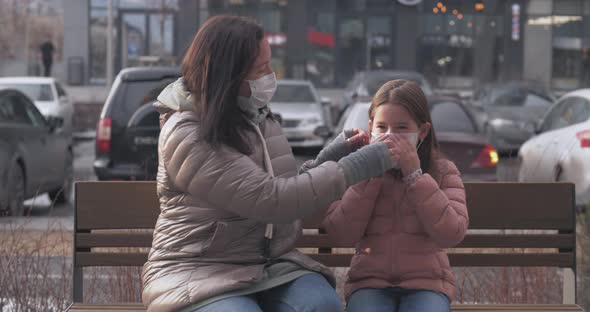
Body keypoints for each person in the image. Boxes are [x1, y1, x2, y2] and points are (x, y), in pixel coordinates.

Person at [141, 15, 398, 312]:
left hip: (267, 264)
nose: (270, 75)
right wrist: (356, 166)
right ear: (229, 74)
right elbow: (271, 199)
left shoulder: (256, 117)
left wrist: (330, 157)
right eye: (261, 68)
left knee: (321, 305)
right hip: (195, 270)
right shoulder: (188, 134)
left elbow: (279, 189)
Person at [323, 80, 469, 312]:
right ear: (371, 128)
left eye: (401, 128)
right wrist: (369, 176)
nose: (390, 136)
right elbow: (340, 234)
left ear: (422, 131)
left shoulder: (442, 171)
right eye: (382, 127)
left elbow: (452, 233)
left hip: (427, 285)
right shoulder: (355, 170)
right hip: (369, 284)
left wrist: (415, 176)